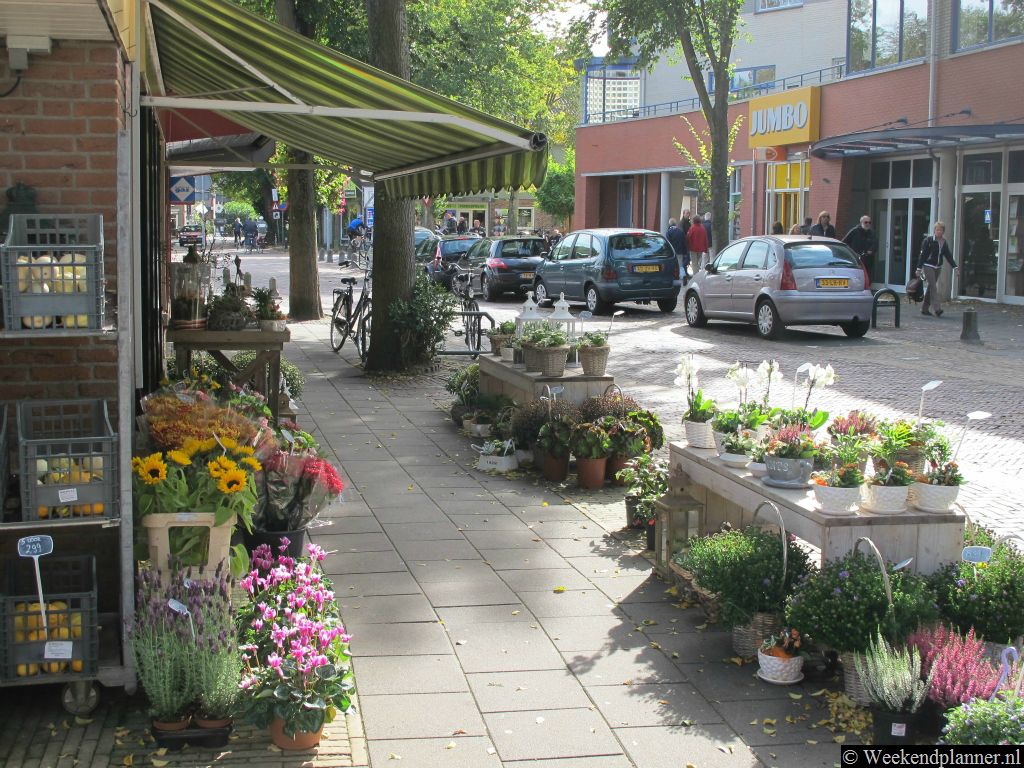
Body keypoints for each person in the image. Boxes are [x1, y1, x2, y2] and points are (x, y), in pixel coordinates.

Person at [916, 221, 958, 317]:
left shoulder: (944, 242)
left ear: (943, 231)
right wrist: (918, 268)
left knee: (931, 287)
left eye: (940, 230)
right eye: (937, 229)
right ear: (934, 230)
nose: (938, 231)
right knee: (934, 287)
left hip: (938, 267)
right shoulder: (928, 241)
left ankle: (924, 308)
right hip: (928, 265)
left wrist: (955, 267)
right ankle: (937, 309)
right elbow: (922, 256)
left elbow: (948, 256)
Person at [843, 214, 879, 283]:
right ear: (861, 223)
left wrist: (871, 250)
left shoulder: (872, 233)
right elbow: (844, 242)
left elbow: (875, 244)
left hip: (868, 260)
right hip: (856, 259)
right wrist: (851, 253)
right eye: (866, 222)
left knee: (868, 277)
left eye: (869, 222)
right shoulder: (854, 231)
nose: (868, 224)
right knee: (856, 277)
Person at [666, 218, 690, 284]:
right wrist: (685, 252)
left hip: (672, 252)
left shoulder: (669, 232)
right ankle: (683, 276)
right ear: (675, 224)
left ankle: (673, 278)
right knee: (680, 265)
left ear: (670, 224)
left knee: (671, 265)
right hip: (680, 251)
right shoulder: (680, 231)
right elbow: (684, 242)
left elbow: (667, 243)